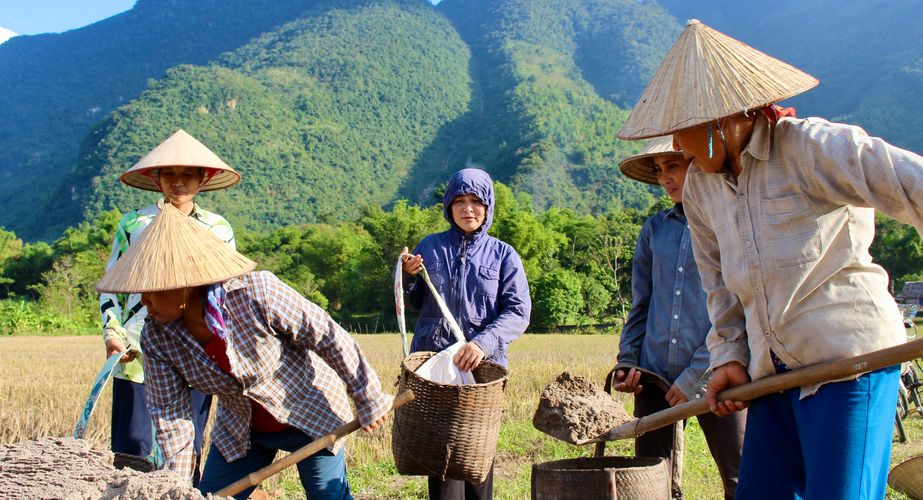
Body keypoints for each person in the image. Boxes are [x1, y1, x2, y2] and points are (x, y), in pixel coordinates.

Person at [617, 19, 923, 498]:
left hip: (846, 364)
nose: (677, 147)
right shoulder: (702, 188)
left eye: (682, 132)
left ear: (720, 119)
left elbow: (912, 183)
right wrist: (729, 356)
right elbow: (717, 284)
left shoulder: (813, 147)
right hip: (771, 374)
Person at [96, 203, 391, 499]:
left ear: (184, 284)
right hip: (241, 428)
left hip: (310, 413)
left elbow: (328, 336)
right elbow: (171, 417)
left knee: (328, 496)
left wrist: (366, 395)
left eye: (152, 290)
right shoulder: (157, 338)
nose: (144, 301)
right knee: (211, 495)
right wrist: (177, 488)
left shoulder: (256, 294)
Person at [99, 129, 241, 478]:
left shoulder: (217, 229)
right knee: (132, 453)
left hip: (196, 353)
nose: (178, 183)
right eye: (169, 175)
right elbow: (111, 290)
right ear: (156, 177)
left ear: (203, 178)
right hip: (136, 351)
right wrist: (112, 335)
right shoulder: (134, 225)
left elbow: (229, 294)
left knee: (185, 449)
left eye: (187, 175)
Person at [614, 137, 744, 499]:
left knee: (739, 475)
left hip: (719, 371)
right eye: (659, 170)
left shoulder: (729, 221)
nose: (664, 178)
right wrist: (628, 361)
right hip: (655, 376)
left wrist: (695, 375)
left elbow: (739, 306)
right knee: (652, 479)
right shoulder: (655, 229)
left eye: (673, 166)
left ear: (698, 163)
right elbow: (642, 303)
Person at [401, 168, 531, 500]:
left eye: (476, 201)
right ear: (449, 206)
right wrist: (407, 277)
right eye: (460, 201)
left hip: (482, 371)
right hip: (437, 370)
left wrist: (482, 343)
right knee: (442, 462)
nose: (468, 209)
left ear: (488, 207)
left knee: (476, 461)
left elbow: (518, 311)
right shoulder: (429, 247)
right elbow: (414, 303)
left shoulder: (504, 255)